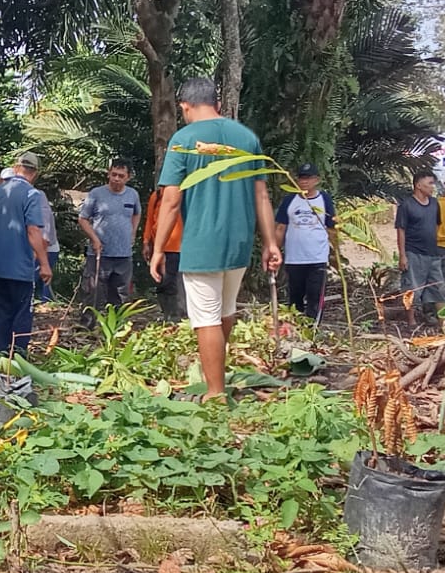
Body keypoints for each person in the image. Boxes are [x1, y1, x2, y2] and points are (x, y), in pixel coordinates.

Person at [148, 78, 282, 397]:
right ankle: (217, 374)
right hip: (238, 244)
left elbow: (171, 200)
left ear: (185, 106)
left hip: (201, 244)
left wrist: (157, 249)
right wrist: (271, 243)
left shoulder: (183, 140)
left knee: (206, 317)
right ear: (216, 104)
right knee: (225, 310)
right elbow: (261, 194)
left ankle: (215, 393)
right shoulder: (246, 137)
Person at [0, 151, 52, 355]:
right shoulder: (32, 194)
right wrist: (44, 263)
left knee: (1, 313)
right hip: (20, 268)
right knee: (22, 313)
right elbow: (33, 230)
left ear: (15, 166)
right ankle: (18, 356)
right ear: (35, 173)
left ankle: (1, 354)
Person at [77, 160, 142, 320]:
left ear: (128, 177)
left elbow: (137, 213)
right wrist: (94, 238)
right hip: (99, 253)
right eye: (113, 174)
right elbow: (83, 218)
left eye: (121, 176)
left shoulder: (132, 194)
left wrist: (133, 232)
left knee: (120, 294)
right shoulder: (96, 194)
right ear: (108, 174)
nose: (116, 179)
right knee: (93, 292)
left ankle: (116, 329)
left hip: (123, 254)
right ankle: (87, 326)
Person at [273, 164, 336, 320]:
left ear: (316, 180)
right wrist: (275, 251)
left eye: (308, 178)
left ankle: (313, 332)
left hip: (317, 258)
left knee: (315, 297)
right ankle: (297, 331)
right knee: (295, 299)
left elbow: (332, 228)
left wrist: (335, 253)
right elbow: (280, 228)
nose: (304, 181)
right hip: (294, 258)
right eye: (301, 178)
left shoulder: (324, 199)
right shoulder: (289, 200)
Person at [396, 169, 445, 328]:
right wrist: (403, 255)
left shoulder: (434, 203)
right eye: (430, 183)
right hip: (413, 253)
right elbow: (401, 230)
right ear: (418, 185)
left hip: (432, 254)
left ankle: (444, 323)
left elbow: (437, 225)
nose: (433, 187)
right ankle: (411, 321)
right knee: (411, 288)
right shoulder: (407, 206)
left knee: (438, 288)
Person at [143, 188, 184, 320]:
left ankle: (174, 317)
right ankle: (167, 315)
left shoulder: (184, 193)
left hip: (176, 247)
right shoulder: (157, 195)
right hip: (158, 247)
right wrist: (146, 241)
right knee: (161, 283)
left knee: (171, 283)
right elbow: (150, 219)